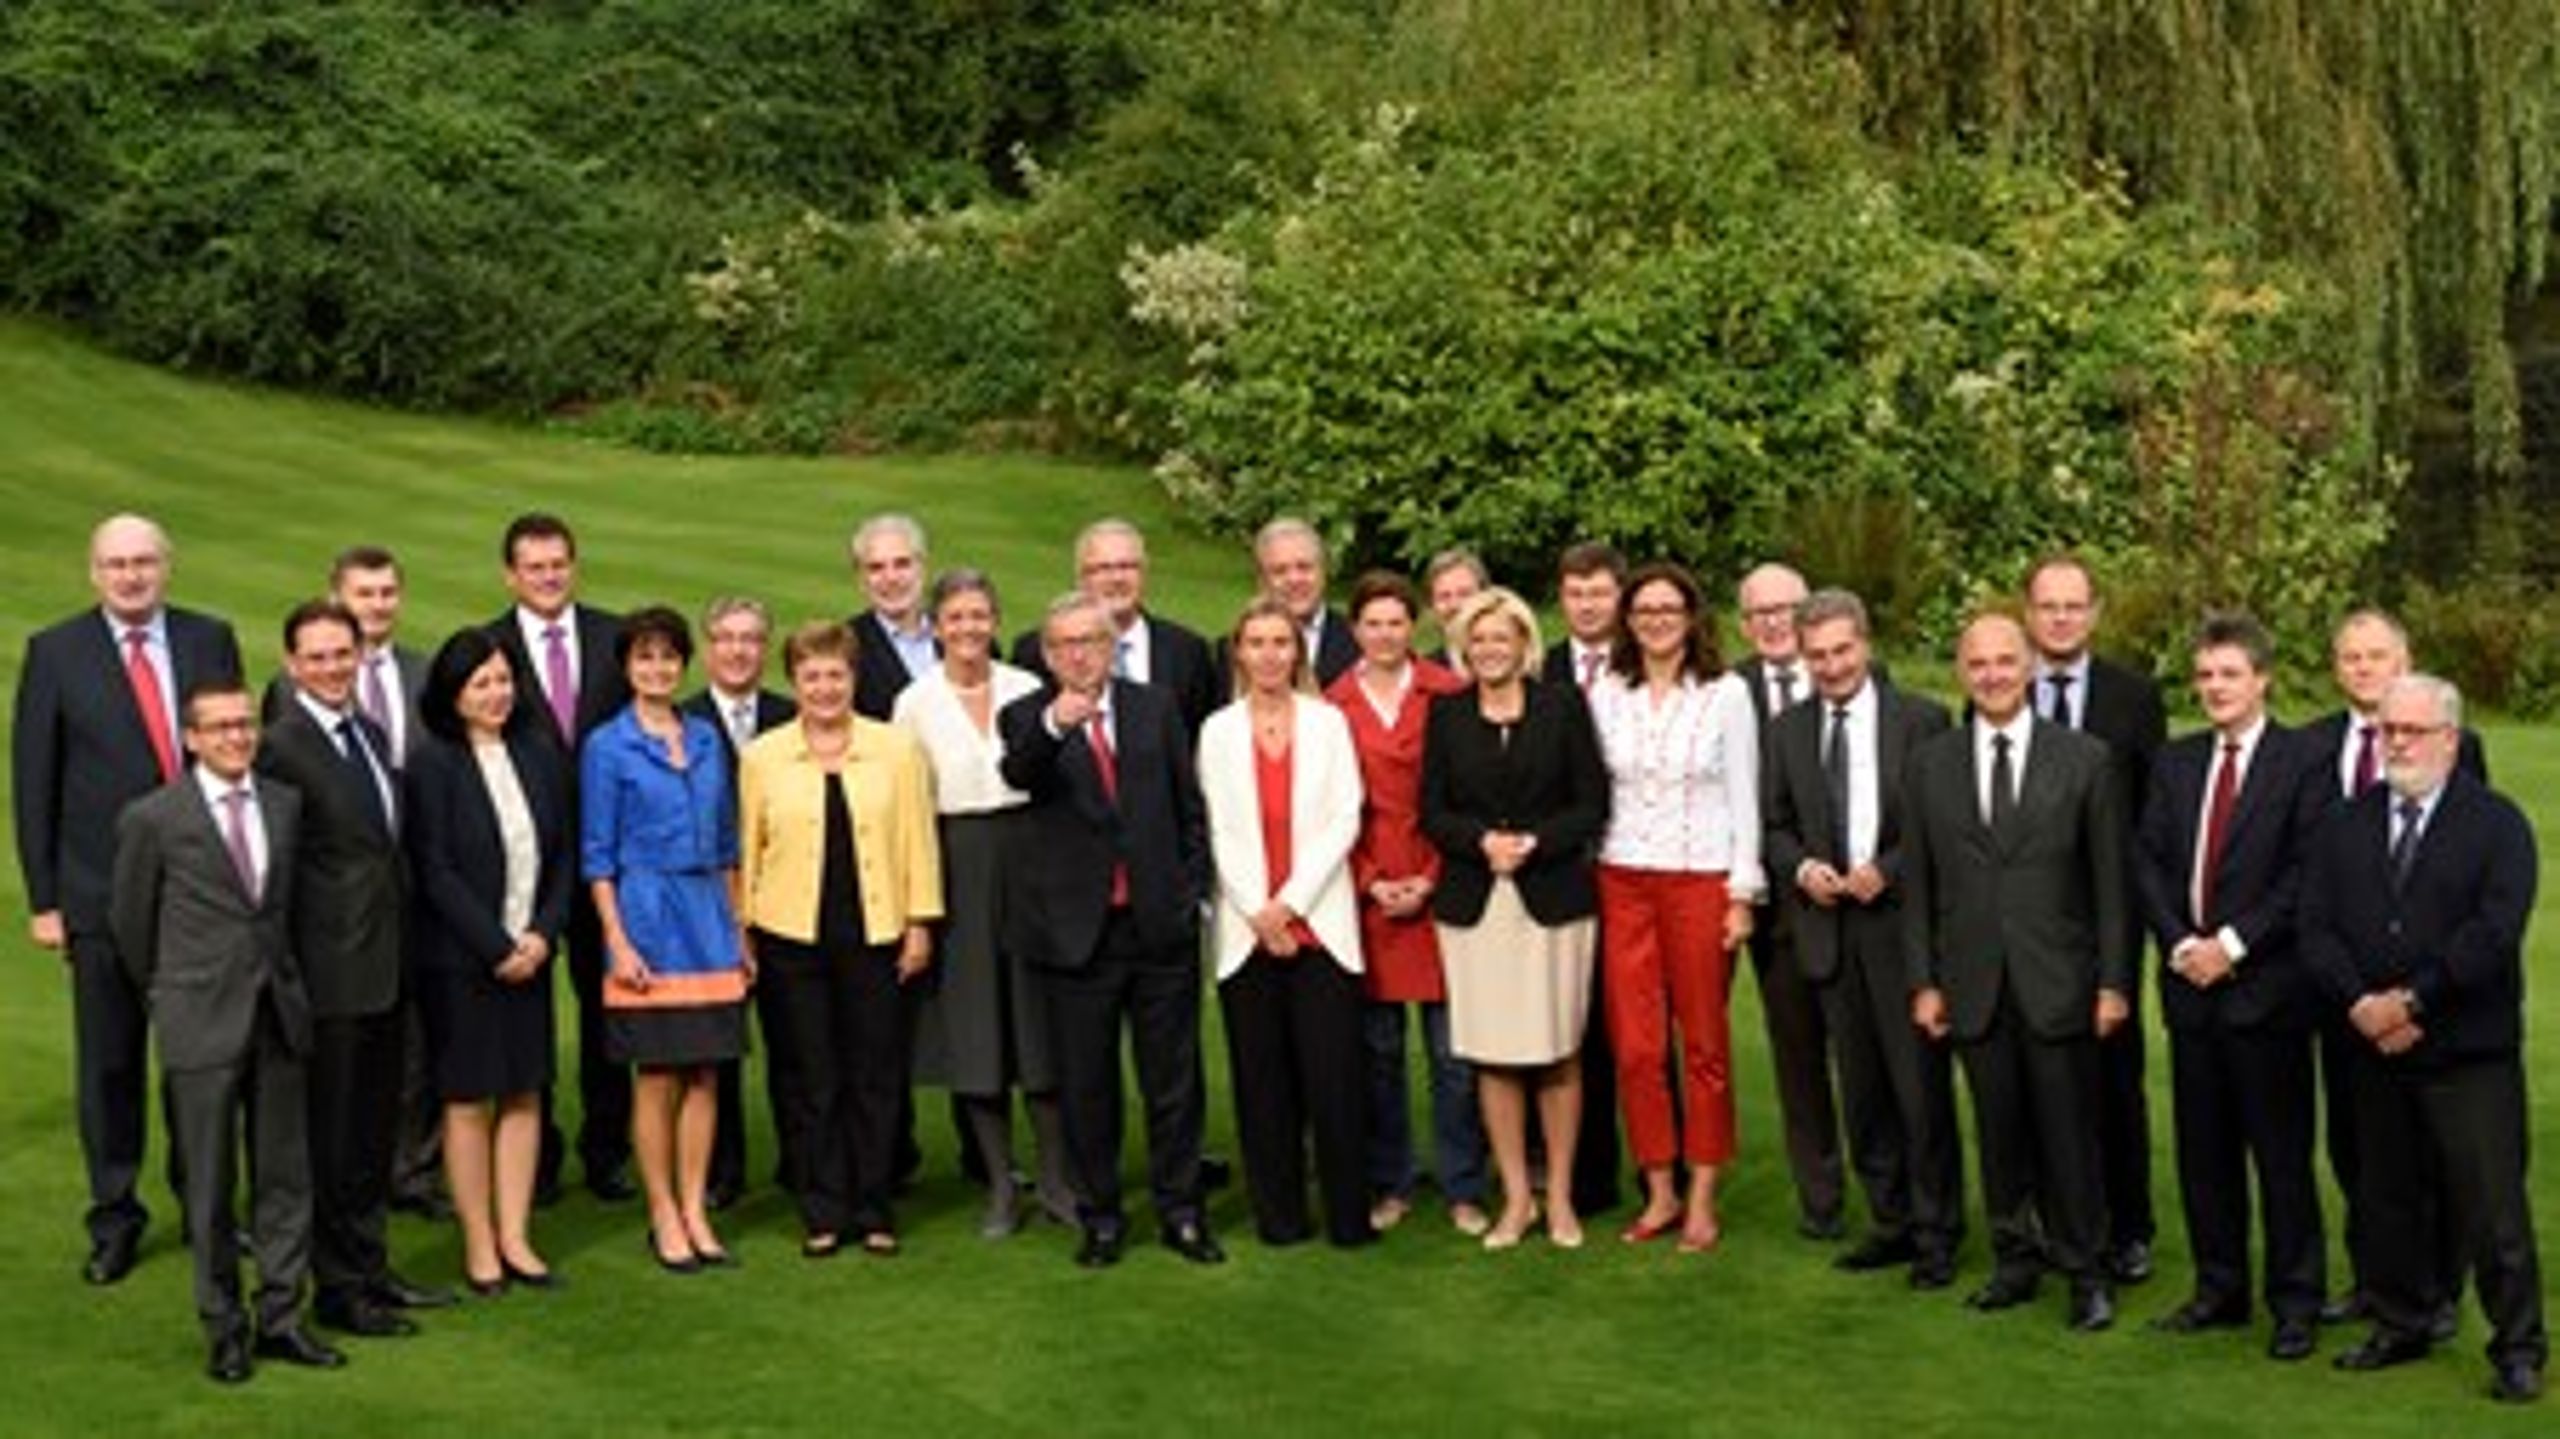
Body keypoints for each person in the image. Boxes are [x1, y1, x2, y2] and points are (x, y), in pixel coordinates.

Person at [14, 512, 243, 1285]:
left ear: (166, 566)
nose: (131, 575)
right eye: (115, 564)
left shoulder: (210, 639)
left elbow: (237, 753)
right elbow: (33, 781)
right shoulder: (56, 652)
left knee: (201, 1063)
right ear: (93, 572)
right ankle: (114, 1216)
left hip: (200, 897)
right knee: (109, 1064)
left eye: (143, 561)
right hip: (99, 894)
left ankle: (207, 1204)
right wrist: (46, 900)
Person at [2302, 675, 2545, 1404]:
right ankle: (2402, 1320)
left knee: (2492, 1207)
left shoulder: (2498, 824)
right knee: (2386, 1197)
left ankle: (2518, 1347)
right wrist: (2361, 1004)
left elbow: (2493, 933)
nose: (2398, 743)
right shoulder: (2344, 823)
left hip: (2465, 1050)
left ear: (2450, 736)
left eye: (2412, 730)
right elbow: (2317, 927)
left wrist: (2413, 999)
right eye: (2387, 730)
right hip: (2371, 1046)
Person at [110, 680, 342, 1383]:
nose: (237, 737)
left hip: (278, 1013)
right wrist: (177, 994)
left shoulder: (284, 804)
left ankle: (280, 1316)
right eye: (220, 728)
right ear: (191, 738)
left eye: (245, 725)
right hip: (198, 1019)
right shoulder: (153, 817)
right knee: (210, 1187)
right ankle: (224, 1326)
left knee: (284, 1177)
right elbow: (131, 924)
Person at [1905, 612, 2129, 1333]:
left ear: (2029, 666)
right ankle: (2015, 1259)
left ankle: (2087, 1270)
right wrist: (1925, 981)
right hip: (1972, 984)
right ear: (1960, 672)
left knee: (2069, 1135)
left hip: (2059, 983)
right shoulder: (1930, 763)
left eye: (2006, 661)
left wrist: (2114, 983)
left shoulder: (2086, 759)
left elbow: (2110, 889)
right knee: (1997, 1132)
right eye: (1979, 663)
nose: (1993, 674)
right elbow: (1921, 887)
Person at [999, 593, 1221, 1269]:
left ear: (1109, 645)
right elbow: (1018, 772)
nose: (1076, 654)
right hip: (1075, 935)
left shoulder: (1153, 706)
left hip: (1157, 927)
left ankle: (1182, 1210)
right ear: (1046, 653)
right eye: (1061, 644)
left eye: (1088, 641)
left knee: (1173, 1079)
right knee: (1087, 1084)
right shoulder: (1027, 716)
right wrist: (1057, 723)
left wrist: (1188, 893)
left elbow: (1188, 807)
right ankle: (1100, 1215)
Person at [2133, 613, 2328, 1361]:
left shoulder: (2302, 760)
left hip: (2268, 993)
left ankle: (2295, 1300)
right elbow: (2147, 860)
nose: (2215, 687)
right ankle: (2219, 1288)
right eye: (2206, 675)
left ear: (2262, 679)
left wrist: (2233, 946)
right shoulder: (2177, 762)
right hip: (2190, 991)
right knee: (2203, 1151)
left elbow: (2305, 873)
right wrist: (2184, 943)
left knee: (2280, 1156)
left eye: (2229, 674)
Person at [255, 600, 449, 1337]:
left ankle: (371, 1268)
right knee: (333, 1137)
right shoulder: (282, 745)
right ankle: (337, 1288)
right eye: (321, 655)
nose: (337, 666)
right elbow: (277, 874)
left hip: (386, 963)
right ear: (293, 663)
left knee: (373, 1131)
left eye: (347, 653)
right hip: (331, 973)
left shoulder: (366, 731)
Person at [1761, 588, 1960, 1288]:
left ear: (1866, 645)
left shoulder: (1923, 721)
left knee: (1919, 1090)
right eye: (1817, 655)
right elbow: (1774, 826)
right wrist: (1804, 867)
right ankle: (1892, 1220)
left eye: (1842, 650)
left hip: (1904, 931)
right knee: (1864, 1092)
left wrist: (1891, 868)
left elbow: (1947, 826)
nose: (1831, 665)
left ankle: (1939, 1232)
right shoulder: (1787, 730)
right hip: (1830, 931)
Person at [2301, 607, 2485, 1328]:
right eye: (2350, 657)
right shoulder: (2310, 748)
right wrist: (2353, 991)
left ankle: (2439, 1285)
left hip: (2425, 993)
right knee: (2356, 1143)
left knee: (2434, 1146)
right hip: (2339, 984)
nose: (2363, 668)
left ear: (2404, 658)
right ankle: (2378, 1279)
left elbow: (2463, 864)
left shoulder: (2457, 746)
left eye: (2377, 655)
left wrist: (2413, 997)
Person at [739, 620, 942, 1258]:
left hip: (877, 932)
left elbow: (918, 839)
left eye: (835, 674)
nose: (824, 688)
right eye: (811, 676)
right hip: (788, 937)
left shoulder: (896, 748)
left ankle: (874, 1205)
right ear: (793, 682)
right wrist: (742, 931)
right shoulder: (762, 755)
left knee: (876, 1072)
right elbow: (747, 848)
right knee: (810, 1075)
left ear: (853, 679)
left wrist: (920, 922)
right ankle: (823, 1206)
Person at [1422, 587, 1610, 1251]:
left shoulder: (1562, 706)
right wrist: (1481, 842)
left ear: (1523, 644)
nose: (1490, 649)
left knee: (1558, 1050)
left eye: (1501, 638)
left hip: (1552, 898)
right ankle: (1516, 1199)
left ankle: (1559, 1196)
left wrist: (1533, 842)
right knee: (1494, 1055)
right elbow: (1433, 809)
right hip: (1476, 907)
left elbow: (1591, 802)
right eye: (1478, 639)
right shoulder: (1446, 714)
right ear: (1464, 647)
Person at [894, 571, 1076, 1238]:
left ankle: (1055, 1178)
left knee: (1038, 1022)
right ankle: (1000, 1183)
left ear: (995, 619)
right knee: (977, 1026)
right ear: (936, 626)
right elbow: (909, 809)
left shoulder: (1029, 688)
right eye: (955, 617)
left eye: (979, 615)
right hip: (958, 859)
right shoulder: (913, 703)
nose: (968, 628)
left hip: (1029, 857)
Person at [1585, 563, 1761, 1253]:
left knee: (1704, 1044)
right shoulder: (1608, 692)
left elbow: (1744, 794)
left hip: (1700, 878)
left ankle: (1703, 1194)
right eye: (1644, 608)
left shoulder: (1726, 693)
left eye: (1669, 607)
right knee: (1635, 1046)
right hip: (1623, 877)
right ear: (1628, 619)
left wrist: (1740, 895)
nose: (1656, 619)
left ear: (1692, 616)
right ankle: (1658, 1188)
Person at [581, 606, 749, 1272]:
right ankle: (662, 1213)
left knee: (706, 1072)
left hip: (709, 915)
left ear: (685, 664)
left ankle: (695, 1207)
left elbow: (731, 842)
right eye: (645, 657)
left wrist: (741, 928)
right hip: (647, 916)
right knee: (656, 1076)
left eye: (669, 657)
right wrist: (618, 941)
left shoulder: (707, 737)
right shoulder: (606, 745)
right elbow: (598, 856)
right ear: (627, 667)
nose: (658, 668)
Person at [404, 628, 571, 1297]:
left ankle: (515, 1234)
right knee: (470, 1099)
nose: (497, 693)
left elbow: (561, 852)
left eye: (503, 679)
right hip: (462, 962)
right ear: (453, 693)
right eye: (482, 684)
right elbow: (435, 870)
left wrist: (540, 935)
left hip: (531, 953)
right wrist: (497, 946)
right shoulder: (433, 763)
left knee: (525, 1091)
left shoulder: (537, 750)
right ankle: (479, 1240)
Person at [1201, 598, 1372, 1248]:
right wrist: (1258, 908)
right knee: (1262, 1082)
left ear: (1297, 652)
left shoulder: (1328, 724)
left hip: (1320, 924)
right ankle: (1280, 1217)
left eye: (1282, 642)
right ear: (1238, 652)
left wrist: (1291, 904)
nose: (1270, 654)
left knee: (1334, 1081)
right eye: (1257, 642)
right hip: (1248, 934)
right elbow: (1217, 825)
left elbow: (1345, 817)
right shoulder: (1216, 729)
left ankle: (1349, 1219)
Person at [1323, 572, 1486, 1237]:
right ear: (1355, 629)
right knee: (1378, 1056)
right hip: (1368, 897)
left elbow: (1471, 793)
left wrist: (1433, 874)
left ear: (1413, 626)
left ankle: (1463, 1185)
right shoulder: (1332, 704)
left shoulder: (1448, 692)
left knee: (1455, 1058)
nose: (1385, 634)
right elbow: (1325, 808)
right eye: (1372, 623)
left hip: (1441, 886)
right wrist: (1369, 879)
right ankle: (1388, 1180)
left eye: (1397, 622)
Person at [483, 512, 633, 1202]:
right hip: (528, 865)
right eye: (534, 566)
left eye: (558, 563)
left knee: (608, 1011)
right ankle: (534, 1156)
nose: (548, 576)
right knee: (527, 1012)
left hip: (608, 859)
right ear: (510, 573)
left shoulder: (614, 638)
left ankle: (609, 1149)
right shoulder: (488, 648)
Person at [2022, 553, 2163, 1284]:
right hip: (2030, 918)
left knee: (2113, 1070)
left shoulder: (2134, 698)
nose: (2061, 618)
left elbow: (2152, 813)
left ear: (2095, 613)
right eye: (2048, 606)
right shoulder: (2002, 689)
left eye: (2074, 606)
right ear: (2028, 614)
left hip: (2108, 915)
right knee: (2043, 1070)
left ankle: (2129, 1225)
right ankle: (2060, 1217)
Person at [326, 545, 446, 1221]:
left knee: (419, 1038)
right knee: (355, 1037)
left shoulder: (422, 674)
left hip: (419, 886)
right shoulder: (300, 686)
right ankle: (350, 1169)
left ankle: (412, 1170)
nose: (377, 604)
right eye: (364, 593)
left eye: (387, 592)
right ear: (338, 596)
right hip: (346, 898)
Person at [1729, 559, 1847, 1242]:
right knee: (1798, 1059)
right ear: (1745, 623)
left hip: (1858, 906)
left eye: (1786, 609)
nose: (1774, 623)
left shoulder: (1857, 680)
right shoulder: (1727, 690)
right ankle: (1822, 1200)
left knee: (1870, 1060)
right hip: (1774, 912)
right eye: (1760, 613)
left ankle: (1899, 1194)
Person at [681, 596, 799, 1210]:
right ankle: (722, 1169)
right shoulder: (681, 722)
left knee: (794, 1044)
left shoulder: (795, 715)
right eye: (725, 638)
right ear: (707, 648)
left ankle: (801, 1161)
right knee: (717, 1050)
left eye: (751, 639)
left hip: (784, 904)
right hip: (707, 910)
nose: (737, 650)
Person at [1536, 540, 1628, 1221]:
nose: (1588, 604)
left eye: (1599, 592)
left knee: (1644, 1031)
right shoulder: (1544, 669)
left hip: (1635, 862)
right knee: (1575, 1027)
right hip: (1562, 869)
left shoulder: (1646, 663)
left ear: (1617, 597)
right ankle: (1589, 1179)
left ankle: (1671, 1172)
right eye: (1576, 593)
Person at [1013, 518, 1221, 740]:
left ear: (1145, 573)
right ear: (1080, 578)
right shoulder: (1035, 650)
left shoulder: (1187, 651)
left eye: (1127, 566)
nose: (1116, 578)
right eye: (1102, 568)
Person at [847, 513, 939, 721]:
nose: (891, 578)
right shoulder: (846, 647)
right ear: (861, 579)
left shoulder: (961, 635)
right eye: (876, 568)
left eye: (902, 564)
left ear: (922, 568)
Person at [1252, 517, 1358, 685]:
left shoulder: (1361, 641)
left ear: (1323, 571)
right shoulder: (1230, 651)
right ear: (1262, 580)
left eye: (1304, 567)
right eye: (1280, 571)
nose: (1294, 580)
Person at [1421, 548, 1488, 670]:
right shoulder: (1425, 673)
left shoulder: (1515, 667)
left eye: (1464, 594)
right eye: (1444, 596)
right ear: (1431, 607)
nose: (1454, 605)